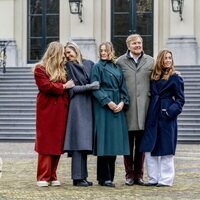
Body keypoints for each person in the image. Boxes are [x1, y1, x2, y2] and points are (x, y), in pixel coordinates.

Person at [140, 49, 185, 187]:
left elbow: (180, 99)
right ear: (160, 60)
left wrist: (169, 112)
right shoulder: (154, 77)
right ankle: (153, 178)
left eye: (170, 58)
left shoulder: (175, 77)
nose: (168, 60)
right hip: (152, 113)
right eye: (165, 58)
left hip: (166, 115)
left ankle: (165, 180)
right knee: (149, 147)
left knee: (166, 148)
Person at [34, 41, 75, 187]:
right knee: (46, 142)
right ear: (55, 53)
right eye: (62, 53)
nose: (64, 56)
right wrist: (63, 86)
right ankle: (43, 176)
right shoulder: (40, 68)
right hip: (46, 109)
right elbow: (46, 86)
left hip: (61, 109)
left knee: (57, 143)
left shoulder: (63, 69)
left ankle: (52, 175)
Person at [116, 34, 154, 186]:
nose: (138, 45)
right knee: (127, 145)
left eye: (139, 43)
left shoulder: (150, 61)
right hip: (127, 109)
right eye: (134, 43)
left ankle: (139, 175)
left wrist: (174, 73)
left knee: (141, 146)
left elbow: (161, 74)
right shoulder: (120, 62)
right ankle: (129, 175)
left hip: (145, 108)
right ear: (128, 45)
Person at [91, 42, 130, 187]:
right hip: (103, 107)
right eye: (101, 51)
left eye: (105, 50)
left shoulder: (116, 67)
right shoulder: (97, 67)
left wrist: (122, 102)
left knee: (113, 142)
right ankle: (103, 177)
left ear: (111, 51)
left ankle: (110, 177)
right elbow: (95, 87)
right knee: (104, 141)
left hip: (117, 107)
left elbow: (123, 88)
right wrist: (107, 101)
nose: (103, 53)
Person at [63, 42, 99, 187]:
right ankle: (77, 177)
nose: (68, 55)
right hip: (77, 106)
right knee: (78, 142)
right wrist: (89, 86)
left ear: (76, 50)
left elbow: (98, 79)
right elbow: (71, 90)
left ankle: (83, 176)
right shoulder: (67, 67)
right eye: (65, 53)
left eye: (69, 51)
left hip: (89, 105)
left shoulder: (89, 63)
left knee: (85, 143)